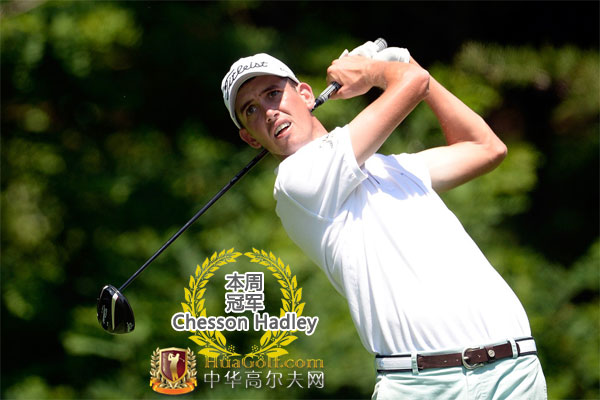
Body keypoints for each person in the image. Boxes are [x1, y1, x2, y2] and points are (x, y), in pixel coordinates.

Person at [221, 41, 547, 399]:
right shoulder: (296, 182)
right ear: (250, 138)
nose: (268, 112)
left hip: (515, 372)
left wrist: (407, 63)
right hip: (422, 385)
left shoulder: (394, 168)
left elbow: (486, 148)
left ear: (306, 95)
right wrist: (375, 72)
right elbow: (412, 83)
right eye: (251, 109)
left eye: (273, 93)